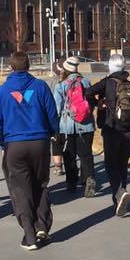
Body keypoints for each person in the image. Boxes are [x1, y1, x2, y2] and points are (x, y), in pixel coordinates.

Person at [0, 51, 59, 251]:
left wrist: (0, 141)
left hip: (15, 144)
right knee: (41, 184)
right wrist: (54, 132)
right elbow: (52, 113)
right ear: (29, 66)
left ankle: (29, 233)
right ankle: (42, 226)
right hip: (39, 141)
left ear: (10, 68)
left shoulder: (3, 91)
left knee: (20, 188)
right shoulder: (40, 86)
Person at [86, 53, 130, 216]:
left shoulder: (106, 83)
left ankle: (120, 194)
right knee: (122, 165)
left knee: (111, 165)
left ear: (110, 67)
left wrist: (98, 103)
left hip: (111, 129)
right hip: (128, 132)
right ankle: (120, 197)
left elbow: (88, 92)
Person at [54, 56, 97, 197]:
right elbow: (91, 103)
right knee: (85, 154)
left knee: (69, 155)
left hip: (67, 126)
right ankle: (88, 178)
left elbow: (57, 107)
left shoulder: (61, 85)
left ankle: (71, 183)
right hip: (85, 125)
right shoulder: (85, 82)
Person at [43, 60, 66, 179]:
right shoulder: (77, 80)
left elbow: (51, 103)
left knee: (56, 141)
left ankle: (58, 166)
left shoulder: (53, 83)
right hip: (73, 117)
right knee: (69, 142)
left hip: (58, 116)